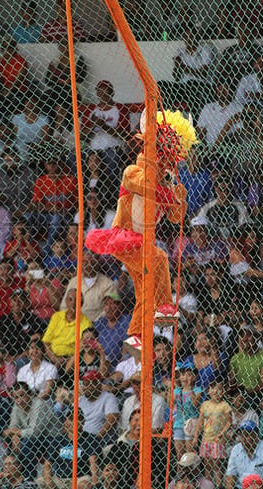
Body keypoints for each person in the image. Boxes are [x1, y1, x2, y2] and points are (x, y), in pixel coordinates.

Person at [85, 110, 195, 349]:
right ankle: (166, 305)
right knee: (160, 257)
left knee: (145, 290)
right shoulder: (133, 171)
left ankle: (136, 338)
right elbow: (142, 185)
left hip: (140, 243)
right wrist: (163, 183)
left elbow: (177, 218)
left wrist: (179, 196)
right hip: (125, 238)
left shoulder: (165, 185)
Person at [224, 421, 263, 489]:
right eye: (241, 435)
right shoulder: (236, 449)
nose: (243, 438)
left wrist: (252, 486)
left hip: (260, 486)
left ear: (255, 436)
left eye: (247, 435)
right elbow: (230, 475)